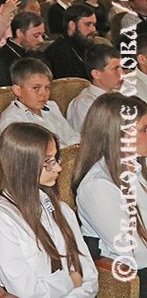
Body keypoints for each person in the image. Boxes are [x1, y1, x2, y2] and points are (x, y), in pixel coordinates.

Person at [0, 123, 98, 297]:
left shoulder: (61, 209)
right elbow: (27, 291)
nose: (58, 168)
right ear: (23, 165)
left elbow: (88, 273)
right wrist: (70, 281)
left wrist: (76, 292)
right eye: (48, 161)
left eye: (56, 159)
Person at [73, 93, 147, 295]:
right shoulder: (97, 186)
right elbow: (133, 253)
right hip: (133, 277)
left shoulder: (138, 164)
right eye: (144, 129)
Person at [0, 58, 80, 146]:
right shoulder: (12, 121)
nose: (43, 93)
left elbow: (70, 135)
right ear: (17, 90)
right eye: (36, 88)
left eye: (47, 88)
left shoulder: (52, 106)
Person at [65, 44, 123, 131]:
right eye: (115, 69)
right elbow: (93, 136)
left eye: (121, 67)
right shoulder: (85, 103)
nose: (122, 74)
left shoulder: (122, 94)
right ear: (96, 74)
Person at [43, 4, 97, 80]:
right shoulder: (54, 54)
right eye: (87, 24)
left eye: (94, 25)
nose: (93, 29)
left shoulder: (93, 48)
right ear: (72, 25)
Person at [0, 12, 45, 84]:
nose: (41, 40)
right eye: (36, 35)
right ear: (20, 33)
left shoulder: (40, 55)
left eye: (43, 35)